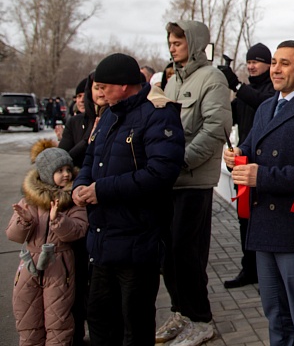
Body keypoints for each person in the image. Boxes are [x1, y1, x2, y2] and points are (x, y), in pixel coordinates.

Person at [71, 53, 185, 346]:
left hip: (138, 242)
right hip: (102, 239)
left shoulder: (159, 114)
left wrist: (102, 190)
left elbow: (161, 173)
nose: (99, 94)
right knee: (98, 318)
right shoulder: (108, 114)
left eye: (103, 87)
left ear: (123, 85)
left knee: (134, 324)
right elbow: (91, 158)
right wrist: (80, 185)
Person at [224, 40, 294, 346]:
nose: (275, 70)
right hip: (264, 227)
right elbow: (251, 146)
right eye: (274, 63)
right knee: (276, 316)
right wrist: (236, 155)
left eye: (285, 63)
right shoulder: (267, 106)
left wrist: (263, 177)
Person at [158, 21, 232, 346]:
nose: (172, 47)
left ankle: (201, 319)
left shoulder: (211, 78)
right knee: (168, 255)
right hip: (167, 182)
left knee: (186, 253)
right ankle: (181, 312)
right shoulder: (173, 81)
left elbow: (216, 128)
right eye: (170, 42)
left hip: (193, 181)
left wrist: (179, 161)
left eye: (178, 42)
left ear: (194, 42)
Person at [7, 143, 88, 346]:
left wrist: (58, 220)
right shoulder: (29, 201)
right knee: (28, 320)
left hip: (59, 266)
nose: (66, 174)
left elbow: (78, 230)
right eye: (59, 170)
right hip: (29, 266)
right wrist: (24, 221)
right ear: (45, 174)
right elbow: (13, 235)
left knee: (58, 320)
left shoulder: (73, 200)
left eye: (68, 169)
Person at [217, 42, 276, 289]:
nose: (251, 66)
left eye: (257, 62)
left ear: (268, 64)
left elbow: (261, 103)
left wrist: (237, 85)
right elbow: (229, 114)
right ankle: (249, 268)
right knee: (244, 220)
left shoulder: (273, 91)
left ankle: (267, 273)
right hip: (243, 163)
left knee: (264, 222)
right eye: (249, 62)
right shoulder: (244, 93)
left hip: (264, 169)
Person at [55, 76, 96, 345]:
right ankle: (76, 333)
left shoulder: (108, 120)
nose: (82, 99)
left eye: (86, 94)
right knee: (76, 275)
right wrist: (86, 142)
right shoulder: (75, 123)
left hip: (97, 205)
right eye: (79, 95)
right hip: (74, 205)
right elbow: (63, 158)